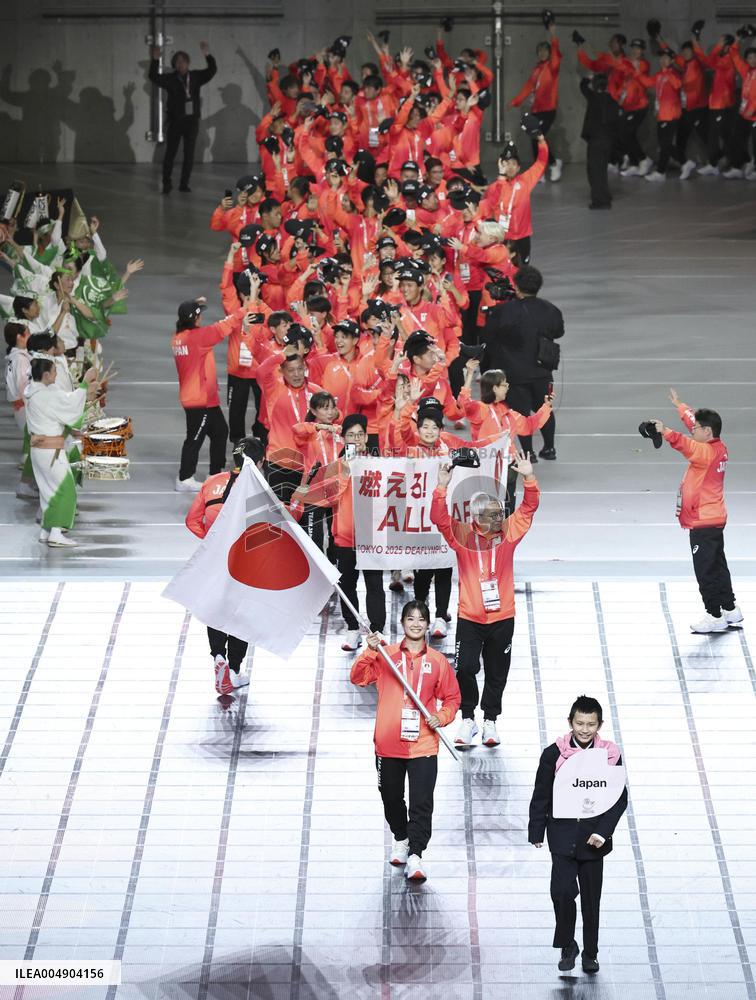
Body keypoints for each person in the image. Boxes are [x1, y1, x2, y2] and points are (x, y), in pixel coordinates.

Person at [430, 450, 538, 748]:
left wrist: (528, 477)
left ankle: (490, 720)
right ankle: (468, 718)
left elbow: (529, 508)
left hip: (502, 617)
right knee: (465, 667)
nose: (499, 517)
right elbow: (438, 517)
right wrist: (442, 486)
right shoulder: (461, 535)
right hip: (470, 617)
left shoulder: (509, 533)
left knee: (496, 671)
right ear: (477, 517)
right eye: (493, 514)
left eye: (500, 513)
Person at [350, 599, 461, 882]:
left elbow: (452, 698)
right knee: (390, 797)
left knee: (421, 802)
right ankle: (401, 837)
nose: (415, 624)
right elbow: (358, 678)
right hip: (388, 744)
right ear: (402, 623)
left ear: (427, 624)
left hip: (423, 744)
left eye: (421, 619)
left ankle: (416, 854)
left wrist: (442, 716)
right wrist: (368, 651)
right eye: (410, 619)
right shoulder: (386, 656)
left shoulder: (437, 662)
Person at [528, 695, 628, 975]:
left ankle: (590, 954)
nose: (585, 729)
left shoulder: (610, 754)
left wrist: (602, 832)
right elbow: (541, 793)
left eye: (591, 724)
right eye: (580, 723)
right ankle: (567, 944)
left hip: (593, 839)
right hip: (561, 836)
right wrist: (536, 829)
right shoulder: (553, 754)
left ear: (600, 725)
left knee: (591, 901)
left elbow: (618, 798)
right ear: (570, 722)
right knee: (560, 892)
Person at [649, 390, 742, 633]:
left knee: (705, 570)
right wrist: (680, 406)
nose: (693, 429)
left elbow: (683, 442)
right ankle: (730, 609)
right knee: (718, 565)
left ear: (707, 432)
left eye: (697, 428)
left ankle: (714, 614)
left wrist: (663, 430)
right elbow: (693, 424)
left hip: (702, 521)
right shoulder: (718, 447)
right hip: (715, 518)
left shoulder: (704, 452)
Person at [480, 266, 562, 461]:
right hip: (542, 369)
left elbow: (488, 337)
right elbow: (558, 332)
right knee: (544, 408)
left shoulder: (502, 311)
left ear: (516, 287)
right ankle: (549, 448)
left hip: (513, 371)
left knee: (520, 412)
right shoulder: (551, 309)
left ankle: (528, 452)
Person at [171, 298, 248, 492]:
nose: (202, 317)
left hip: (204, 397)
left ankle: (215, 473)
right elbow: (223, 327)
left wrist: (193, 303)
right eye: (199, 314)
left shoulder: (179, 337)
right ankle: (185, 478)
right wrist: (242, 311)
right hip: (200, 399)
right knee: (194, 438)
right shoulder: (197, 337)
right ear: (195, 318)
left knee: (220, 431)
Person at [23, 356, 100, 547]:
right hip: (50, 451)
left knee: (47, 491)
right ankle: (56, 532)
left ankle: (46, 530)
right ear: (46, 374)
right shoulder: (46, 396)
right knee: (64, 489)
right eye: (54, 371)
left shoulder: (33, 391)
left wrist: (84, 392)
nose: (57, 374)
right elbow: (69, 407)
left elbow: (64, 403)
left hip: (39, 450)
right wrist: (84, 383)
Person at [148, 41, 217, 194]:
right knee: (170, 153)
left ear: (187, 62)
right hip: (175, 121)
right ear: (175, 65)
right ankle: (167, 183)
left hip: (191, 122)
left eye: (183, 61)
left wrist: (207, 55)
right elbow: (153, 76)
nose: (180, 64)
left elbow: (212, 70)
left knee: (189, 154)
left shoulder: (196, 77)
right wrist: (155, 59)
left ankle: (184, 184)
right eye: (177, 62)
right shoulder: (171, 79)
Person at [509, 17, 563, 181]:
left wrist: (553, 35)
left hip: (548, 110)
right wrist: (515, 102)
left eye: (545, 50)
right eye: (539, 50)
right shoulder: (536, 69)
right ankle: (539, 170)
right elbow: (528, 88)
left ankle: (553, 163)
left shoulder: (552, 67)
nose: (542, 53)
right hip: (536, 110)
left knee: (539, 137)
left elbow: (556, 55)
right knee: (535, 139)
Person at [579, 72, 620, 209]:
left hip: (595, 140)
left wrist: (587, 78)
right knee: (602, 170)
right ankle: (605, 195)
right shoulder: (613, 102)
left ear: (595, 86)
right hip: (608, 141)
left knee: (594, 171)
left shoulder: (593, 98)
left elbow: (583, 87)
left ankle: (601, 201)